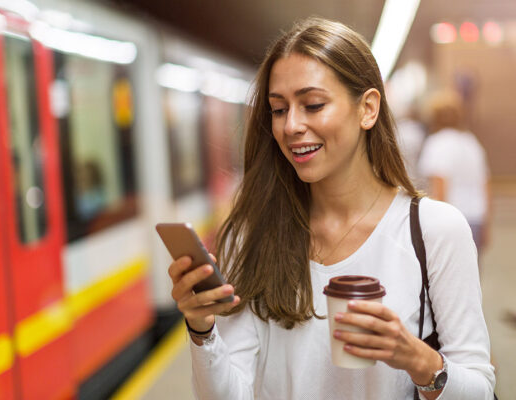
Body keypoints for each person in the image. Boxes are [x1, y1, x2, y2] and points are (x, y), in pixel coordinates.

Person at [168, 18, 495, 399]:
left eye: (313, 104)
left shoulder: (434, 231)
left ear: (368, 109)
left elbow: (481, 390)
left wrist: (420, 361)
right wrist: (201, 329)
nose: (291, 126)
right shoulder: (251, 235)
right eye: (278, 109)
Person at [418, 90, 491, 258]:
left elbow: (440, 188)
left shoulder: (437, 143)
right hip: (476, 218)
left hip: (452, 221)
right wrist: (486, 223)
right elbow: (485, 184)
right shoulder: (471, 142)